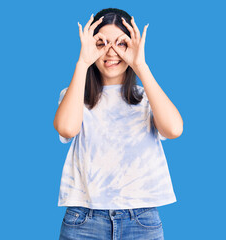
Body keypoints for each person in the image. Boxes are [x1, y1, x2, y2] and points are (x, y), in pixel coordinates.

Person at [53, 7, 183, 240]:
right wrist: (82, 63)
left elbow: (174, 129)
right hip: (84, 220)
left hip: (141, 220)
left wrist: (140, 65)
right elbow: (66, 128)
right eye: (101, 43)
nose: (111, 52)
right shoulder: (75, 96)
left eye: (121, 43)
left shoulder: (146, 98)